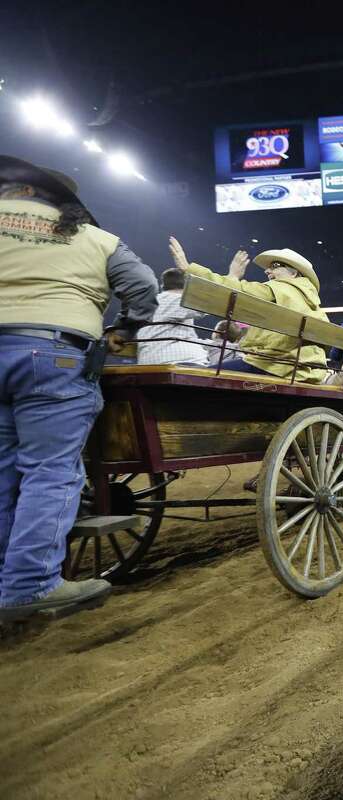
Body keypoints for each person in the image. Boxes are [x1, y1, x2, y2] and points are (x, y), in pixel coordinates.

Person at [0, 156, 158, 620]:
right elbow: (143, 288)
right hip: (53, 353)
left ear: (26, 191)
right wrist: (124, 330)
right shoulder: (96, 238)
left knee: (3, 471)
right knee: (50, 470)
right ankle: (30, 585)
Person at [168, 238, 330, 383]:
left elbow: (237, 290)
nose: (267, 271)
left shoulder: (282, 288)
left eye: (275, 266)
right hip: (306, 371)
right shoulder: (313, 304)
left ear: (293, 273)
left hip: (276, 367)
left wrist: (188, 268)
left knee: (195, 377)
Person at [135, 266, 212, 366]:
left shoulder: (151, 302)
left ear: (163, 285)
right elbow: (210, 304)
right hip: (177, 362)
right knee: (238, 364)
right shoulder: (175, 299)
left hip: (152, 359)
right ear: (187, 286)